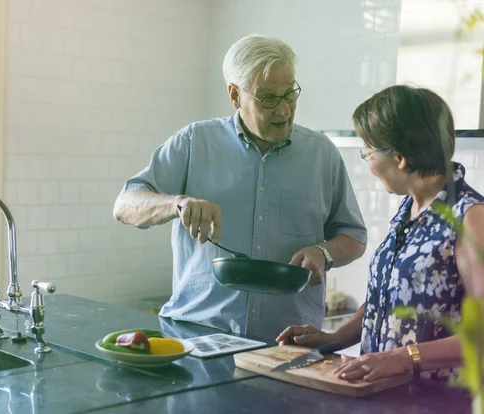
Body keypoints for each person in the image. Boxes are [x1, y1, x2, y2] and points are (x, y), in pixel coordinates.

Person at [113, 34, 367, 343]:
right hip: (197, 339)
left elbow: (354, 236)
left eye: (290, 94)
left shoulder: (322, 154)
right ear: (235, 96)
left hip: (287, 344)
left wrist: (323, 252)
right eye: (269, 99)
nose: (284, 110)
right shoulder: (194, 142)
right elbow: (124, 205)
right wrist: (176, 204)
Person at [276, 85, 484, 381]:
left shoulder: (470, 218)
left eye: (368, 152)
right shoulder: (409, 209)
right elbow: (386, 301)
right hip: (383, 397)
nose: (368, 162)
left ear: (399, 158)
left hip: (438, 402)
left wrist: (402, 358)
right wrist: (331, 339)